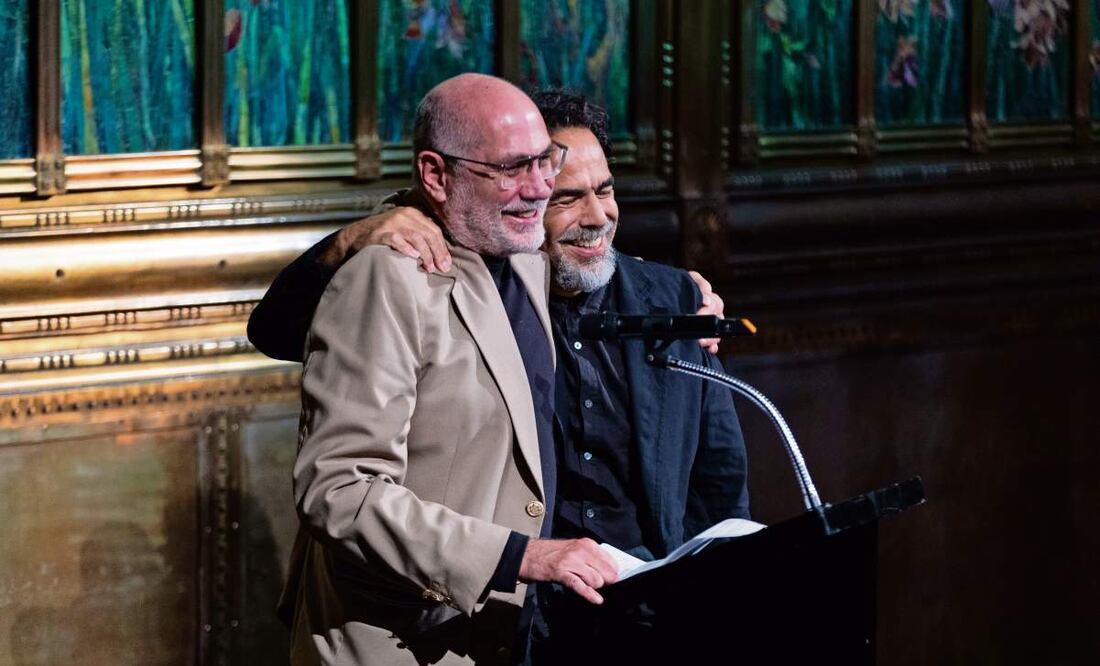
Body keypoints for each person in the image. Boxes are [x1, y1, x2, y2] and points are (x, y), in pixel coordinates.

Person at [278, 74, 620, 666]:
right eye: (514, 168)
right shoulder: (388, 276)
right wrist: (521, 557)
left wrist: (686, 293)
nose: (541, 188)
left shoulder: (518, 252)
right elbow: (338, 491)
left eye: (546, 161)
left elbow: (592, 253)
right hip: (396, 642)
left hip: (490, 637)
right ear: (436, 175)